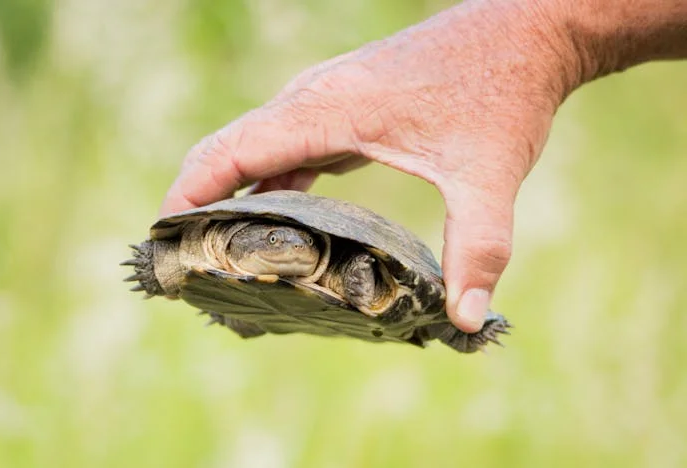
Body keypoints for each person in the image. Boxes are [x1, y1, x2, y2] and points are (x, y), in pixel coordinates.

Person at [160, 0, 687, 333]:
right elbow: (166, 250)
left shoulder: (343, 264)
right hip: (244, 295)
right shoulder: (208, 242)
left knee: (450, 318)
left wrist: (548, 32)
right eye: (273, 240)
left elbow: (368, 271)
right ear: (239, 239)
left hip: (366, 291)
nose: (290, 245)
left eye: (290, 239)